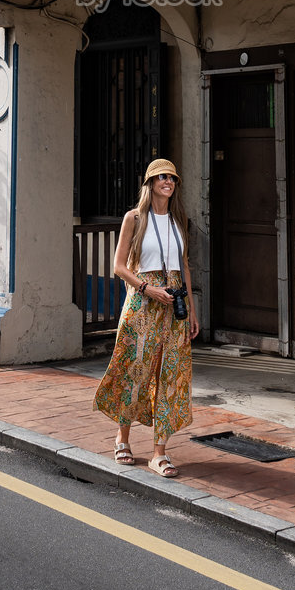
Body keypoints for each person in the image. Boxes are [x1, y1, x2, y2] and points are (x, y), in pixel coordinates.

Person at [94, 157, 199, 478]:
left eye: (172, 178)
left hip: (174, 304)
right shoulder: (135, 218)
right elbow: (119, 266)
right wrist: (147, 288)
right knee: (135, 370)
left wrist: (192, 310)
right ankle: (122, 439)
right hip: (142, 303)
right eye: (162, 177)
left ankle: (159, 453)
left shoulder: (179, 220)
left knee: (171, 375)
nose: (168, 182)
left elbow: (184, 266)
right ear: (150, 183)